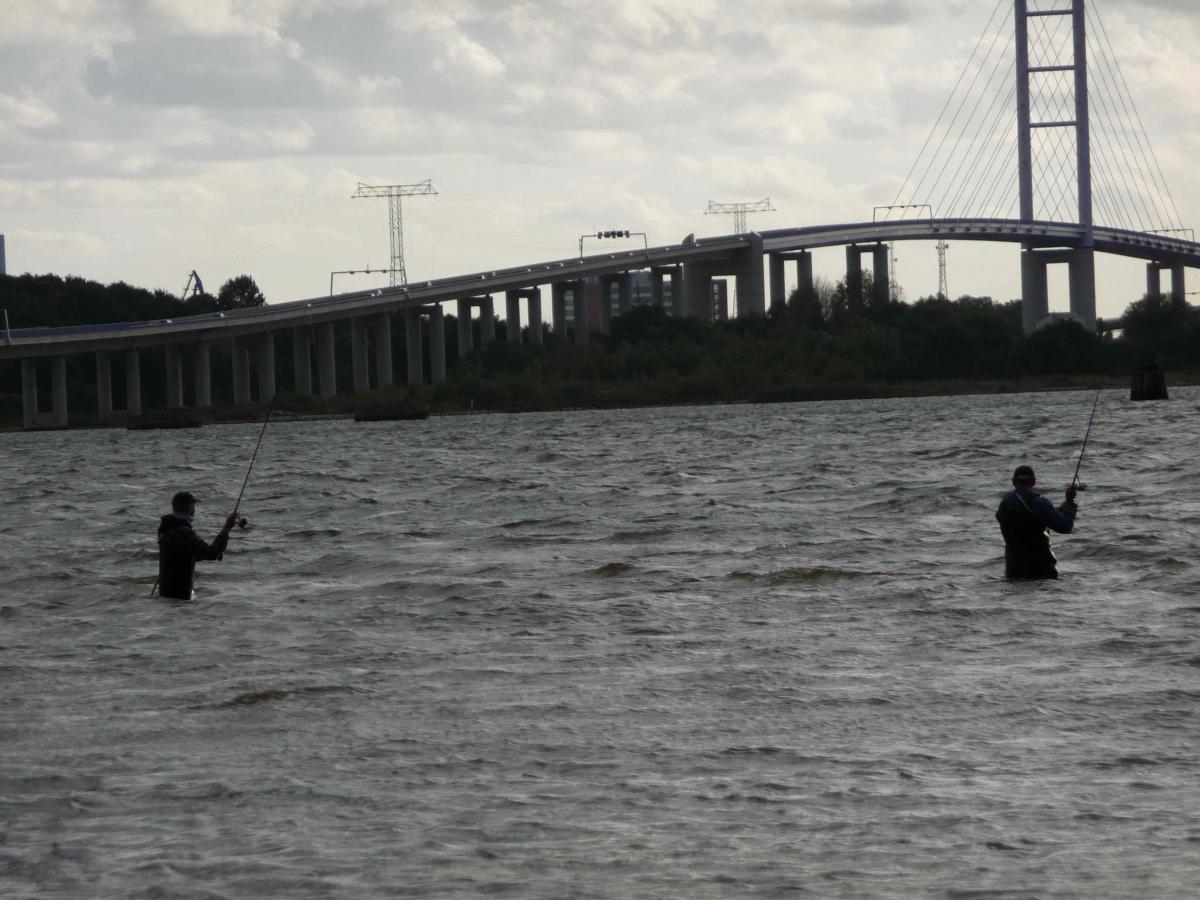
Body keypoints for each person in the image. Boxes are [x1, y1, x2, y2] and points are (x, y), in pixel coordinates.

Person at [995, 465, 1078, 579]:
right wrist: (1070, 504)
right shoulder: (1038, 503)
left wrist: (1061, 508)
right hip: (1041, 572)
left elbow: (1026, 521)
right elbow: (1065, 526)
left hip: (1013, 572)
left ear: (1013, 482)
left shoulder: (1004, 505)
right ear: (1033, 482)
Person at [157, 491, 239, 599]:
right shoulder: (183, 531)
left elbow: (181, 556)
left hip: (166, 591)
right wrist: (226, 528)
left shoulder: (165, 528)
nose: (194, 509)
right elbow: (211, 553)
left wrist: (209, 554)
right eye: (193, 506)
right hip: (179, 594)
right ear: (189, 507)